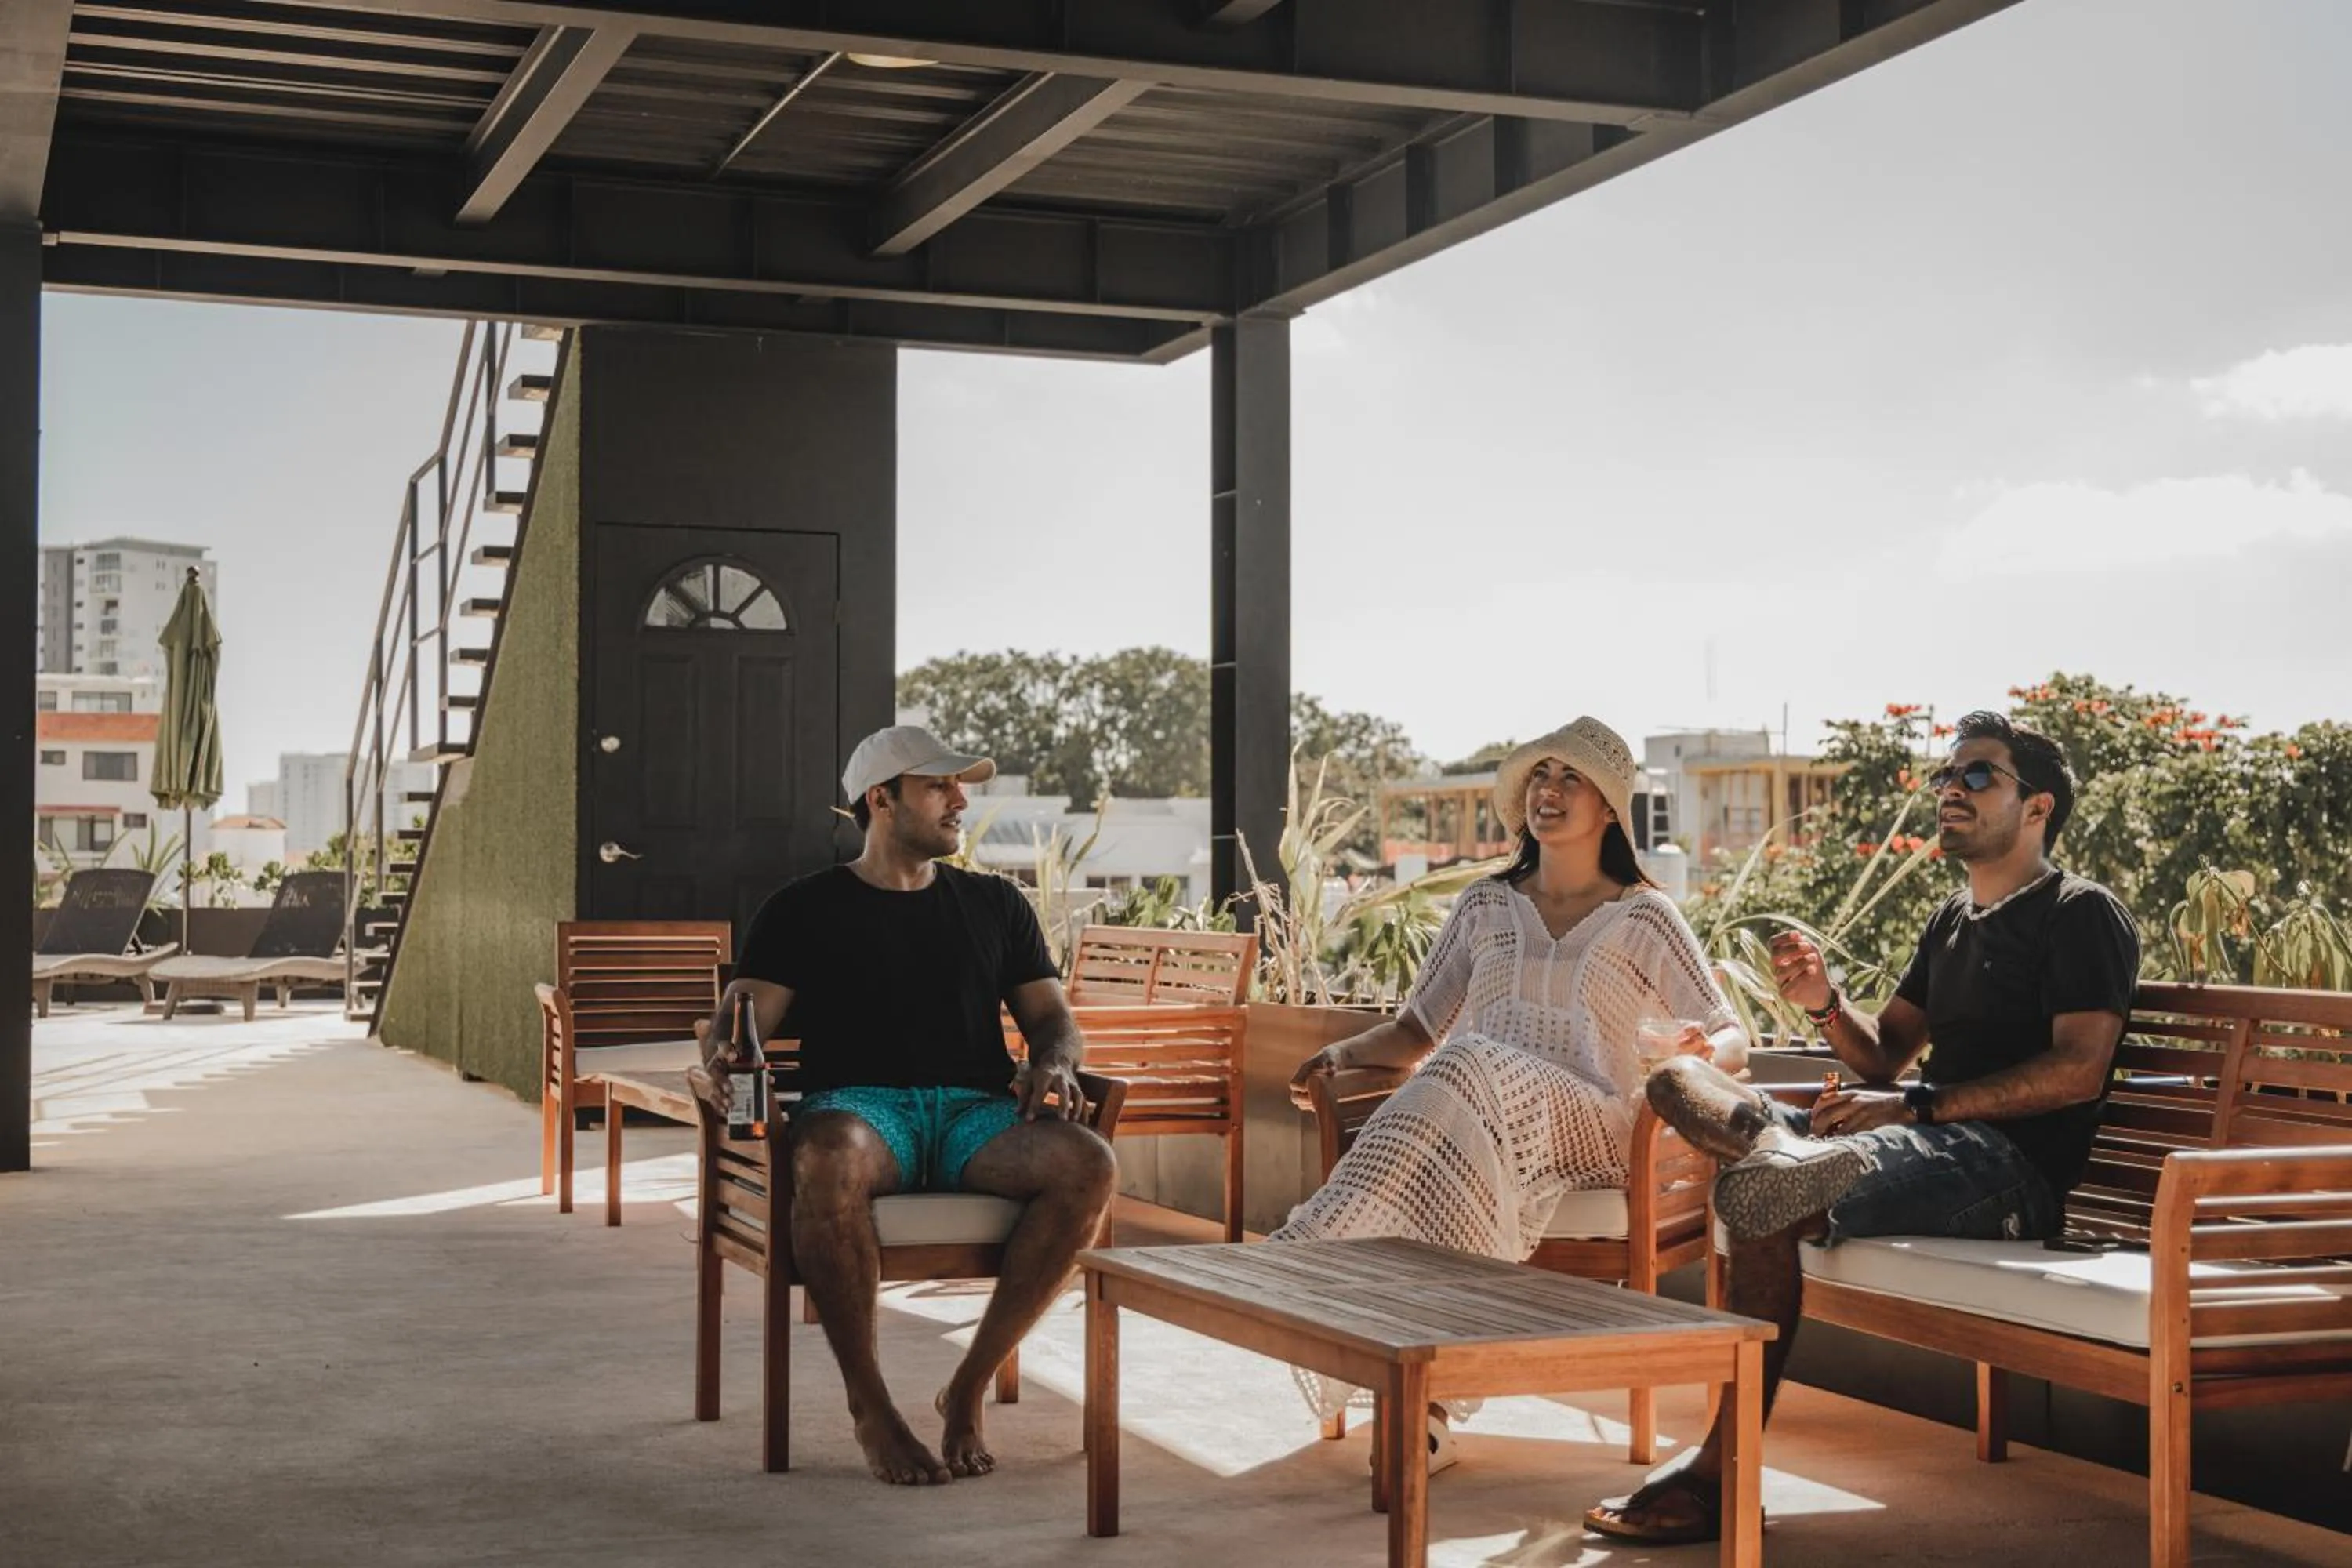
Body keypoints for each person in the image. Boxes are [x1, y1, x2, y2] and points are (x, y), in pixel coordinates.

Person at [1586, 710, 2140, 1544]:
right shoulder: (1952, 920)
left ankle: (1721, 1471)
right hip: (1920, 1140)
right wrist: (1825, 1004)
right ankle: (1781, 1154)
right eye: (1947, 775)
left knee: (1765, 1191)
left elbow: (2078, 1070)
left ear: (2038, 807)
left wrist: (1918, 1106)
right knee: (1676, 1079)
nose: (1951, 789)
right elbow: (1882, 1055)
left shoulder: (2080, 913)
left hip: (2006, 1171)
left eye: (1978, 775)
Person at [1282, 716, 1748, 1470]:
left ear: (1609, 810)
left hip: (1596, 1131)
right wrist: (1341, 1053)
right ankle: (1424, 1414)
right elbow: (1414, 1030)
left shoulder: (1644, 915)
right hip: (1483, 1125)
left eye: (1571, 778)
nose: (1548, 790)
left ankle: (1308, 1252)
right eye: (1540, 775)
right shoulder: (1484, 905)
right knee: (1460, 1115)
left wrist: (1701, 1057)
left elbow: (1731, 1033)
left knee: (1468, 1061)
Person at [687, 724, 1116, 1488]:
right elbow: (741, 1020)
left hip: (974, 1115)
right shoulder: (802, 908)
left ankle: (967, 1386)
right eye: (938, 786)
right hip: (861, 1110)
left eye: (960, 786)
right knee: (828, 1154)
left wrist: (1053, 1060)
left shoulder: (995, 903)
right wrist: (720, 1055)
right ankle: (872, 1406)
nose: (960, 801)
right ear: (881, 800)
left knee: (1087, 1161)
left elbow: (1054, 1020)